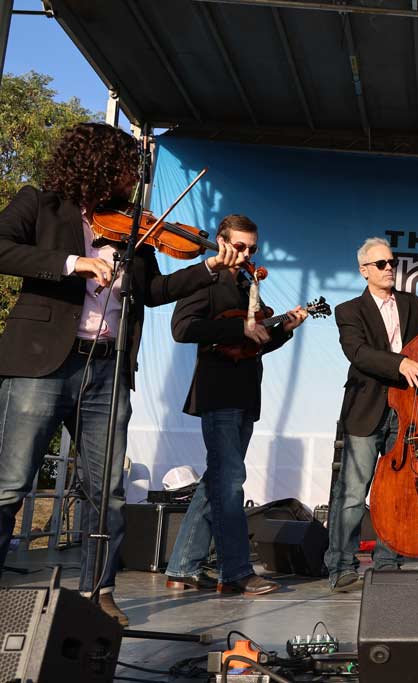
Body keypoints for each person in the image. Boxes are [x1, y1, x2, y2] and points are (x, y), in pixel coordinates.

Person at [0, 122, 243, 625]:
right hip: (42, 364)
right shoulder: (40, 203)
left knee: (106, 490)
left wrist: (209, 268)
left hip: (108, 368)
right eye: (128, 167)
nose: (134, 178)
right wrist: (75, 263)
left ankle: (99, 592)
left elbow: (152, 292)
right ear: (99, 163)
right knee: (10, 483)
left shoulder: (134, 228)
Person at [164, 214, 308, 596]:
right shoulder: (205, 279)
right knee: (229, 482)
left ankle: (182, 566)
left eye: (252, 248)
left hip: (245, 393)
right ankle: (236, 573)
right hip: (217, 392)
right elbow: (182, 328)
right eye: (240, 246)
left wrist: (284, 331)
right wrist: (236, 327)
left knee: (217, 481)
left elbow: (253, 344)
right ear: (222, 242)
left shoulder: (249, 284)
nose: (246, 254)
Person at [325, 237, 418, 592]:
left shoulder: (412, 304)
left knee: (397, 491)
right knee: (353, 492)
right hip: (366, 409)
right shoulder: (348, 310)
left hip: (408, 409)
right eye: (381, 264)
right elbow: (358, 353)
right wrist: (400, 363)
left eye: (392, 263)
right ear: (364, 270)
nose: (389, 269)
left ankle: (388, 561)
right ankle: (340, 565)